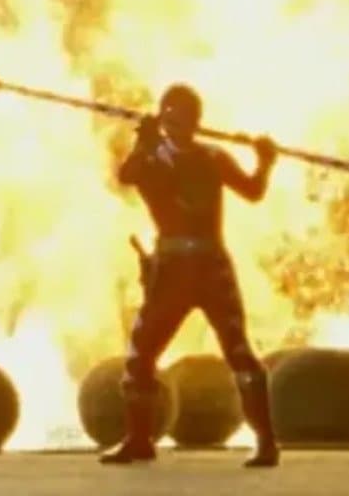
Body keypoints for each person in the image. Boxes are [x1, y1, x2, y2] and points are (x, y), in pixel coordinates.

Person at [101, 84, 280, 468]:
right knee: (140, 354)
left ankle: (267, 441)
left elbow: (252, 191)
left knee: (238, 351)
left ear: (197, 121)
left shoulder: (213, 157)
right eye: (172, 115)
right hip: (171, 272)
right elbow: (127, 176)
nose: (179, 123)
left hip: (211, 268)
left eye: (186, 116)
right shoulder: (152, 159)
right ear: (163, 118)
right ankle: (139, 439)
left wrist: (265, 162)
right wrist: (143, 143)